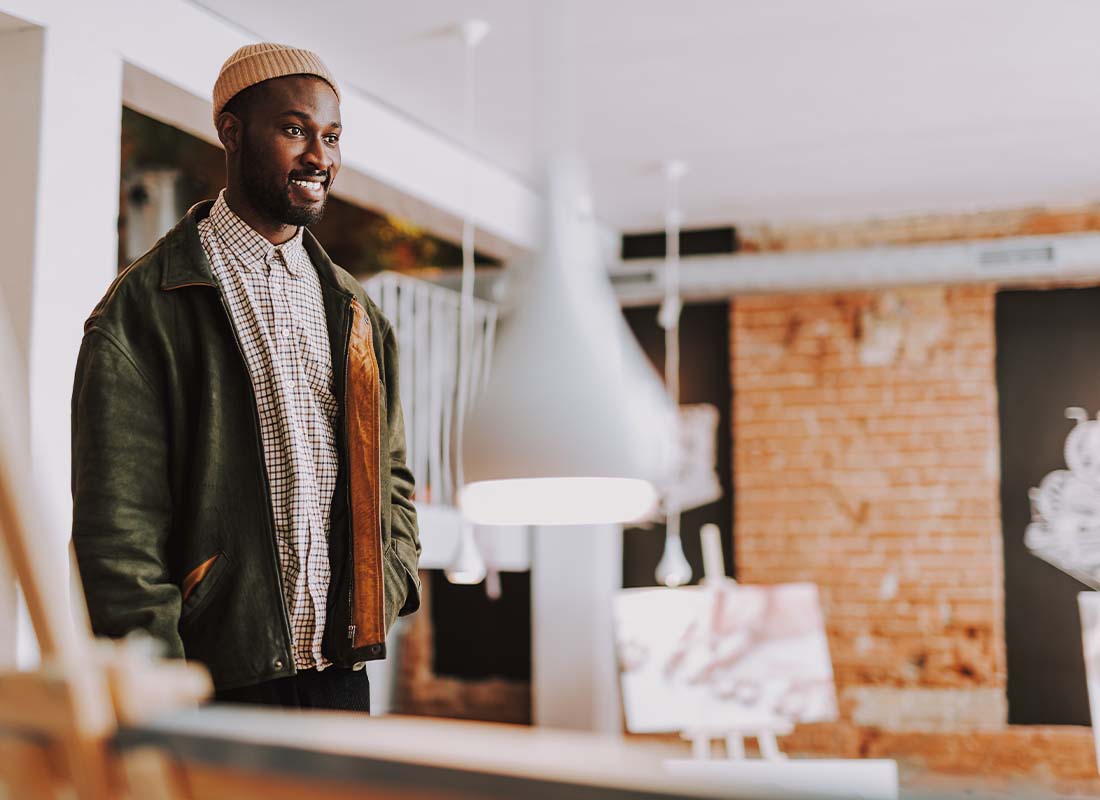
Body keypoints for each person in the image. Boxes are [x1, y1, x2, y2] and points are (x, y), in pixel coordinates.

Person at [71, 43, 421, 711]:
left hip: (343, 678)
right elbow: (117, 529)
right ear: (231, 132)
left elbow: (393, 476)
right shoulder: (143, 309)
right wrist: (160, 690)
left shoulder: (356, 313)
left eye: (332, 135)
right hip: (211, 683)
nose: (320, 156)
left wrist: (390, 579)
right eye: (294, 129)